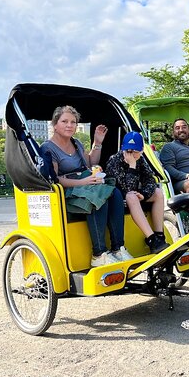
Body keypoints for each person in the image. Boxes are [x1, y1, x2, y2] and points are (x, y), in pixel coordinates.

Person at [40, 105, 133, 267]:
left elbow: (91, 163)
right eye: (64, 121)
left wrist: (97, 143)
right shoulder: (48, 148)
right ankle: (98, 254)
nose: (70, 125)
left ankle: (118, 247)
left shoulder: (76, 143)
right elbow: (55, 180)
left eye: (73, 122)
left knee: (115, 193)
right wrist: (83, 182)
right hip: (68, 192)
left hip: (87, 186)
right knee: (98, 195)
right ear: (55, 124)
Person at [105, 132, 168, 254]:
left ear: (142, 151)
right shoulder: (114, 161)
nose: (131, 154)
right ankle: (151, 239)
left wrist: (143, 194)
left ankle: (159, 235)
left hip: (137, 194)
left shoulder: (141, 159)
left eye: (135, 151)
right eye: (128, 151)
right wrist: (132, 166)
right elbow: (127, 188)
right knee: (131, 196)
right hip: (119, 198)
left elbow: (150, 180)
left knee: (158, 192)